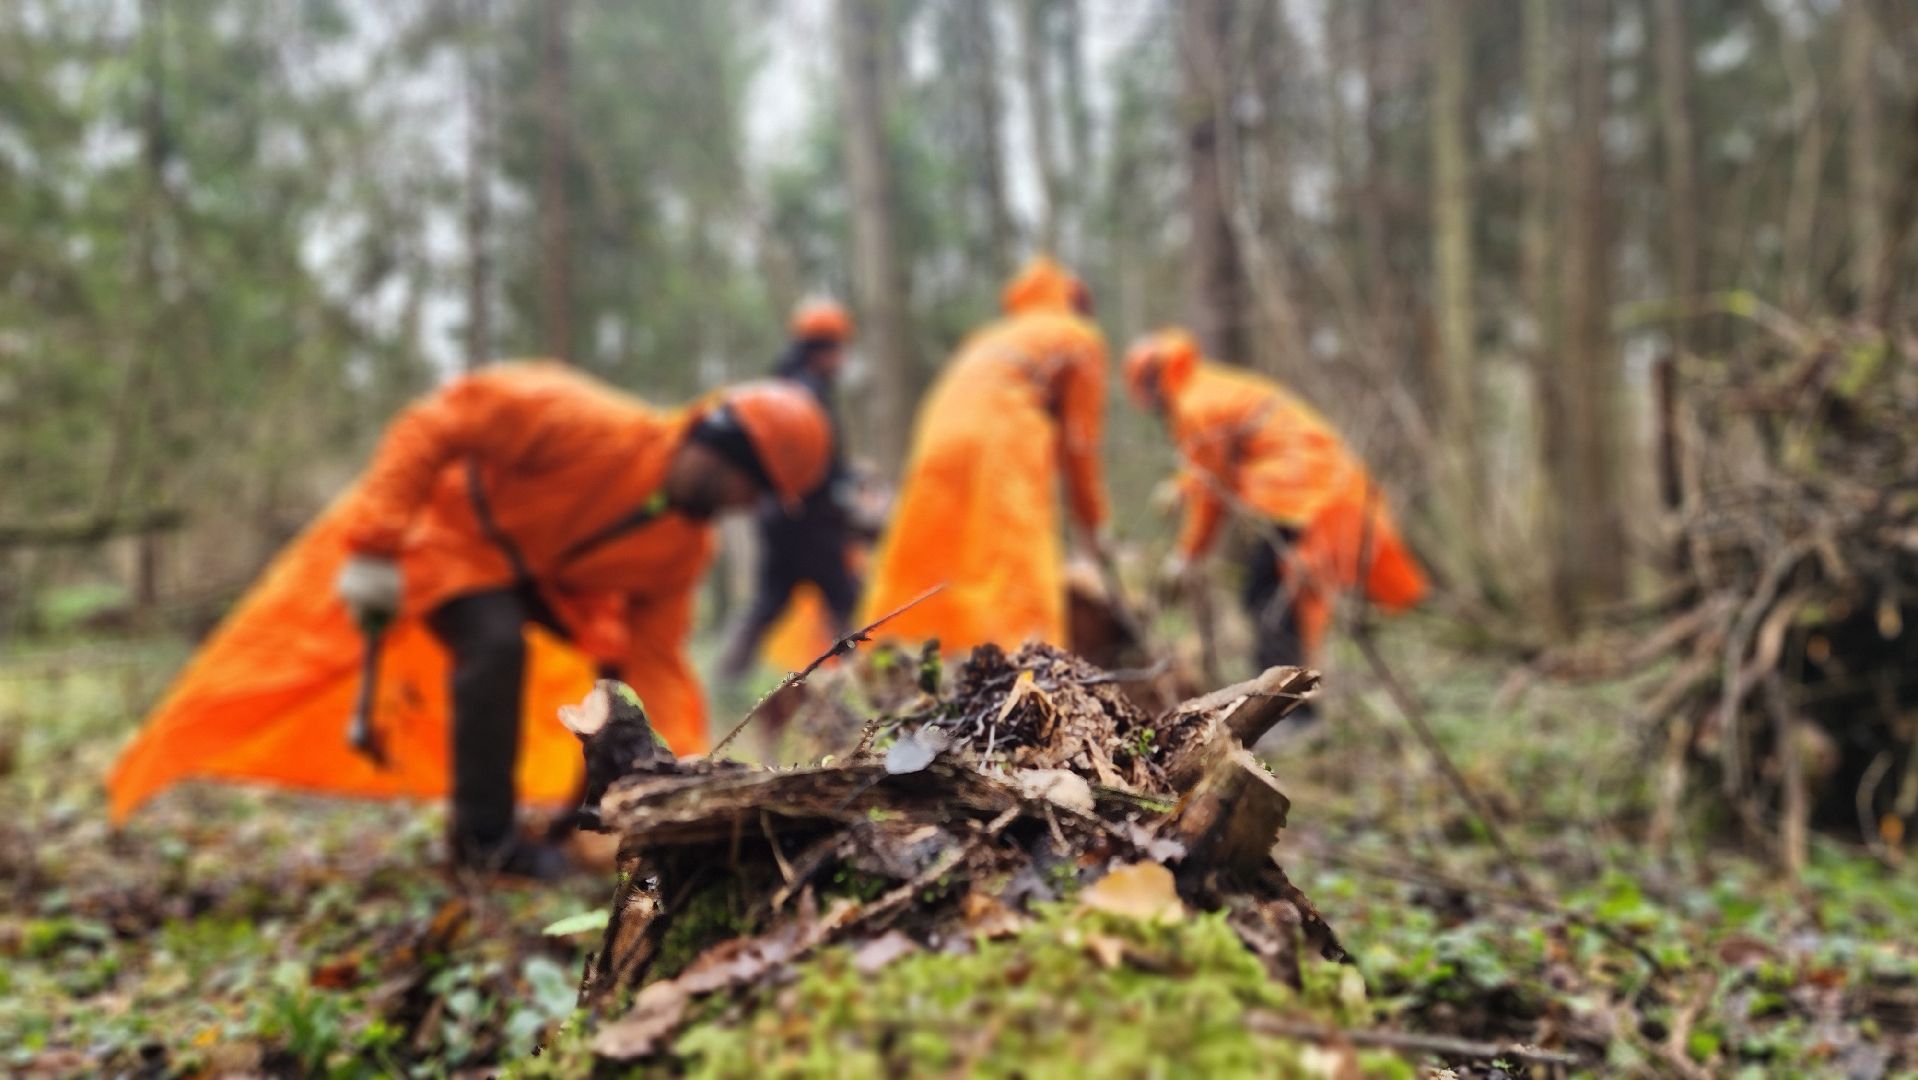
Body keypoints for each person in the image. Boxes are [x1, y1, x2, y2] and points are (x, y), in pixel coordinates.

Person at [107, 363, 832, 876]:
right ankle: (482, 843)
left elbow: (657, 663)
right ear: (724, 447)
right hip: (450, 542)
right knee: (494, 646)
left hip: (540, 582)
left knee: (616, 689)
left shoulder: (681, 547)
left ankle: (585, 821)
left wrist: (678, 773)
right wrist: (377, 542)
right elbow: (440, 421)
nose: (746, 507)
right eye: (752, 487)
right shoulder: (580, 420)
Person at [1122, 329, 1427, 670]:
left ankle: (1288, 710)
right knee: (1275, 592)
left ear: (1149, 383)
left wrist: (1186, 556)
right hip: (1313, 485)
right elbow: (1215, 461)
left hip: (1304, 492)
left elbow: (1212, 490)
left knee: (1272, 596)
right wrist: (1182, 485)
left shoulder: (1193, 406)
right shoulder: (1206, 387)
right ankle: (1289, 703)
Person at [859, 256, 1109, 655]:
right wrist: (1094, 527)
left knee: (936, 554)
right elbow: (1079, 446)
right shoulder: (1078, 337)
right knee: (1013, 563)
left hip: (938, 428)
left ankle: (900, 660)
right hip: (1002, 429)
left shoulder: (993, 335)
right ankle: (1028, 672)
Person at [719, 299, 863, 677]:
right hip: (809, 521)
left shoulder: (786, 385)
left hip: (780, 519)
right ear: (823, 349)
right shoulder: (808, 394)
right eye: (837, 349)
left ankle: (728, 674)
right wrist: (842, 491)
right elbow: (816, 462)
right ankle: (858, 682)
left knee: (769, 602)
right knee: (845, 597)